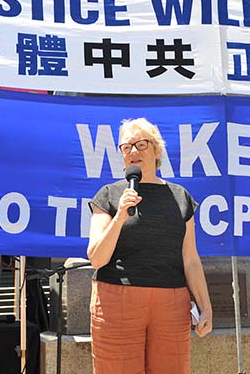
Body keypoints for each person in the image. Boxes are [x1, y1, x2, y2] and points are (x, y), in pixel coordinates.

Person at [87, 118, 212, 374]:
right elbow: (97, 258)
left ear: (157, 151)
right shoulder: (110, 195)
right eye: (126, 147)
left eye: (141, 144)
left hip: (171, 302)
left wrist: (206, 306)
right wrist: (121, 214)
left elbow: (190, 259)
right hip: (117, 300)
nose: (133, 152)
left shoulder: (181, 197)